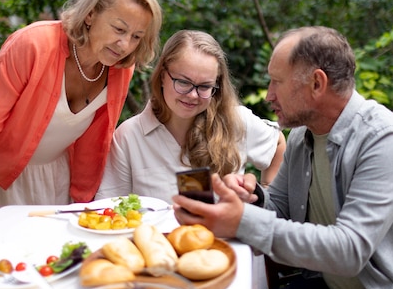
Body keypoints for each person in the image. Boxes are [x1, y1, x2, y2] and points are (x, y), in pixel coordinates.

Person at [172, 26, 393, 289]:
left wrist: (242, 221)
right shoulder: (303, 136)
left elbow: (349, 250)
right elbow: (279, 207)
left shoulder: (387, 140)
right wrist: (249, 199)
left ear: (317, 83)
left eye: (277, 82)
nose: (268, 95)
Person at [0, 0, 163, 239]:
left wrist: (81, 204)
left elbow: (92, 145)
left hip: (53, 174)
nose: (125, 45)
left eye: (136, 37)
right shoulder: (32, 45)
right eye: (119, 29)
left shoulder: (119, 69)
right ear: (91, 15)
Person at [96, 29, 286, 203]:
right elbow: (113, 208)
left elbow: (278, 142)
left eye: (204, 86)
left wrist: (269, 192)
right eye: (183, 82)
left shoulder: (236, 121)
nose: (193, 95)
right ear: (163, 76)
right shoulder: (129, 136)